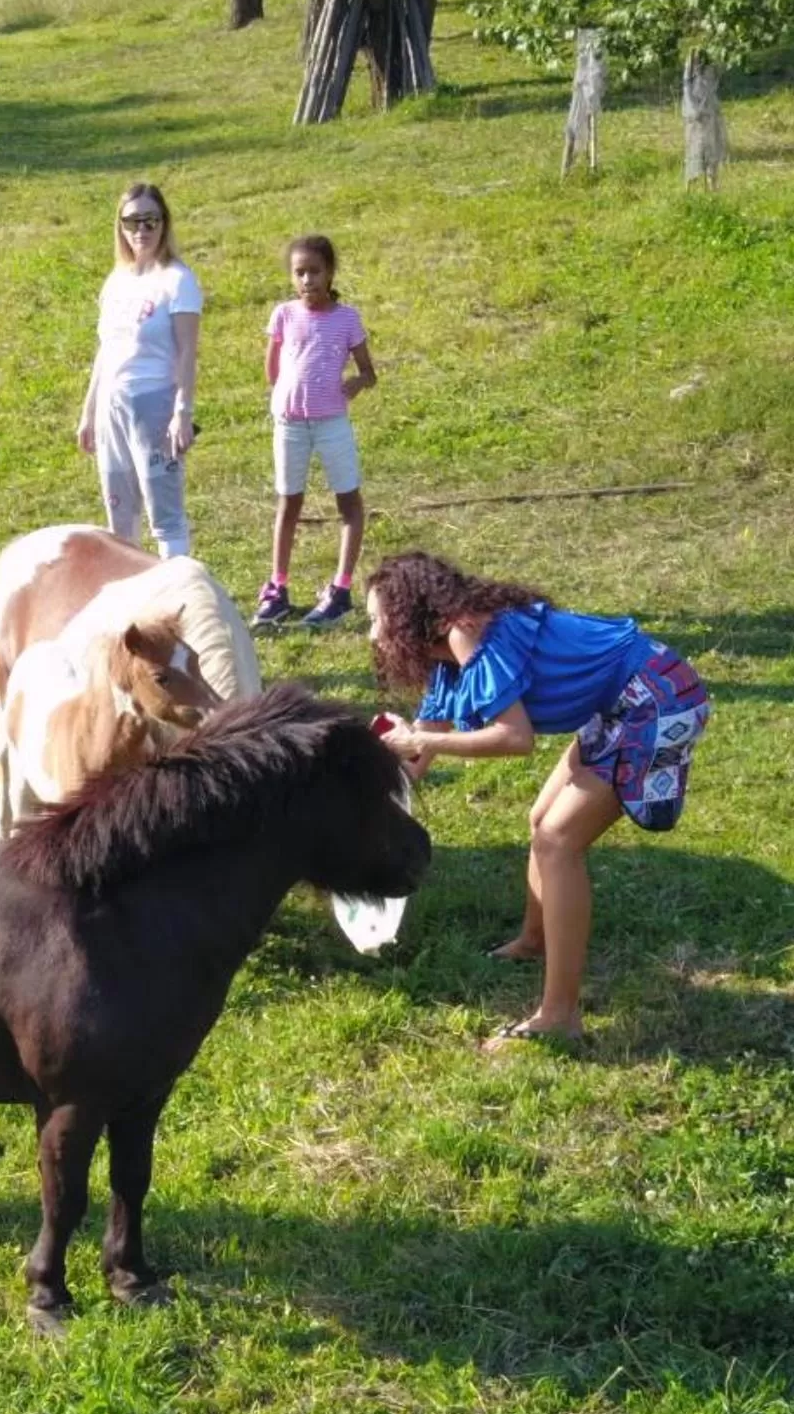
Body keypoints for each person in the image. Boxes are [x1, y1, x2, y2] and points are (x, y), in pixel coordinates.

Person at [366, 551, 712, 1049]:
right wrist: (389, 750)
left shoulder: (467, 632)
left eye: (378, 619)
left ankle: (560, 1015)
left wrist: (425, 742)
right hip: (623, 700)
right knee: (542, 822)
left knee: (556, 841)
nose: (374, 634)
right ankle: (534, 941)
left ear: (408, 615)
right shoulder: (444, 657)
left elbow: (514, 738)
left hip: (657, 698)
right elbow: (416, 762)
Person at [256, 234, 377, 630]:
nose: (307, 280)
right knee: (288, 502)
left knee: (348, 502)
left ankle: (341, 589)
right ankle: (278, 588)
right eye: (299, 273)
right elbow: (273, 367)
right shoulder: (284, 315)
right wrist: (283, 400)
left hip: (331, 425)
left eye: (314, 271)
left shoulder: (347, 319)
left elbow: (367, 370)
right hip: (290, 424)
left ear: (330, 273)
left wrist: (356, 384)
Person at [76, 182, 201, 558]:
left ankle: (177, 598)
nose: (141, 231)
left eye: (150, 221)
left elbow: (186, 352)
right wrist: (89, 412)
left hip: (153, 403)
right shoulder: (117, 281)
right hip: (112, 404)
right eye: (132, 221)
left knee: (164, 512)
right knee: (119, 511)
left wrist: (182, 411)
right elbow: (106, 349)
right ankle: (132, 602)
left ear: (164, 224)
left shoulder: (178, 281)